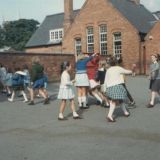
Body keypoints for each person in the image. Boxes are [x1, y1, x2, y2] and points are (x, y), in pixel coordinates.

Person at [104, 57, 132, 122]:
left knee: (119, 100)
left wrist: (105, 90)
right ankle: (109, 115)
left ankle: (125, 112)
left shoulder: (108, 70)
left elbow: (105, 80)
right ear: (116, 62)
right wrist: (133, 69)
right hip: (117, 86)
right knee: (114, 101)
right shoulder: (118, 68)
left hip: (109, 87)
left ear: (110, 63)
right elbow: (127, 72)